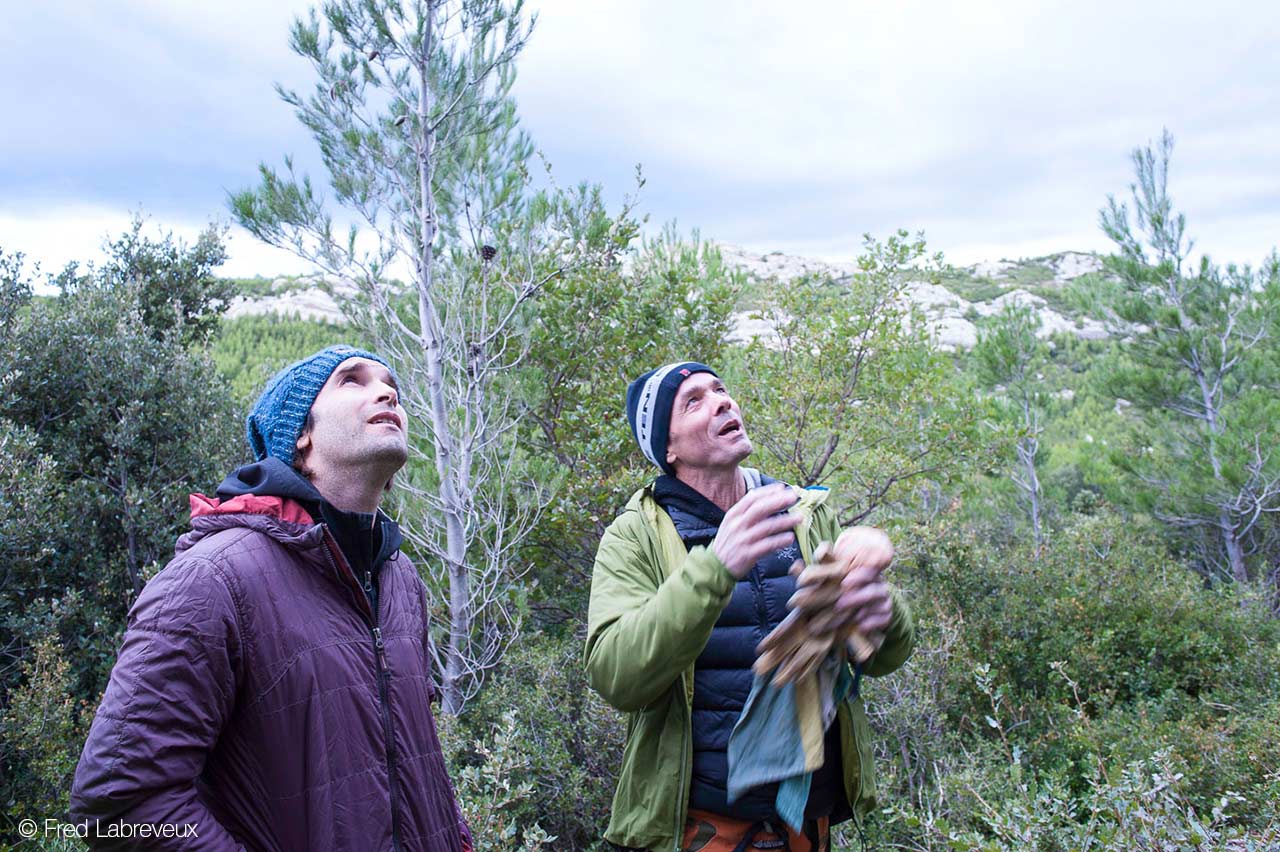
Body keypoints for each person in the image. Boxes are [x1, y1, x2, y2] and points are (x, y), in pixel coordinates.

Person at [71, 345, 472, 852]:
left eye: (390, 383)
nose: (387, 391)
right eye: (352, 380)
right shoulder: (212, 579)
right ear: (299, 435)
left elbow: (414, 757)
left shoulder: (399, 579)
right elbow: (118, 804)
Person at [585, 362, 915, 852]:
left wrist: (881, 608)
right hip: (700, 830)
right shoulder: (636, 535)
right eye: (693, 401)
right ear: (667, 448)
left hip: (806, 825)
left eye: (720, 389)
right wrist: (716, 566)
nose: (722, 401)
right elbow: (616, 675)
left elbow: (885, 657)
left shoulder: (802, 512)